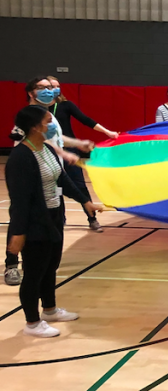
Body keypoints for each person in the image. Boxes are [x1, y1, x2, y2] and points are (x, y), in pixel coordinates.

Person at [6, 105, 103, 337]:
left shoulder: (46, 149)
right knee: (34, 272)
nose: (52, 125)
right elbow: (20, 202)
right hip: (34, 222)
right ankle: (32, 323)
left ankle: (49, 310)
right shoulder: (21, 157)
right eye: (48, 122)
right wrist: (18, 233)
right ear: (35, 127)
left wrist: (85, 202)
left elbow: (63, 179)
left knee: (51, 267)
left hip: (54, 216)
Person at [6, 77, 96, 286]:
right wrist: (63, 154)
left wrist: (78, 143)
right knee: (22, 218)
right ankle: (11, 264)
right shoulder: (27, 118)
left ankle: (46, 273)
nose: (51, 91)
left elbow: (58, 138)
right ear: (31, 92)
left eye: (53, 87)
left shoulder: (49, 116)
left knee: (53, 224)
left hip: (53, 176)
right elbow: (39, 142)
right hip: (34, 178)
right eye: (44, 88)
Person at [46, 76, 117, 233]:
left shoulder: (65, 105)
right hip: (50, 152)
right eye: (51, 86)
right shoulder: (40, 111)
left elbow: (86, 120)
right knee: (56, 188)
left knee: (79, 186)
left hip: (70, 151)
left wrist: (107, 132)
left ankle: (92, 219)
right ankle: (60, 220)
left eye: (58, 86)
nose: (55, 89)